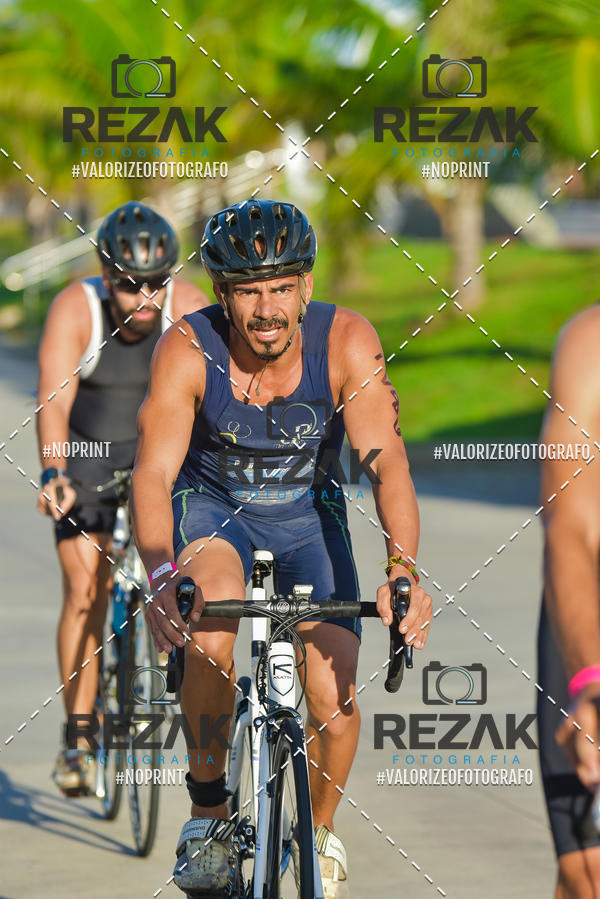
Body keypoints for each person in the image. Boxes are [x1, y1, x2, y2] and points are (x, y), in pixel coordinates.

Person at [130, 198, 432, 897]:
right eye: (247, 290)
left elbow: (388, 465)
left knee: (332, 692)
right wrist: (159, 571)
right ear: (222, 295)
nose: (266, 307)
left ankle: (319, 833)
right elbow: (153, 471)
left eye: (281, 286)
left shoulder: (348, 340)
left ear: (305, 285)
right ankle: (208, 817)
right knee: (206, 630)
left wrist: (401, 569)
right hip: (214, 513)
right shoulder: (188, 345)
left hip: (308, 514)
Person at [36, 201, 208, 796]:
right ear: (105, 276)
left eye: (156, 284)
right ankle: (78, 736)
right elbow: (54, 399)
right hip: (86, 462)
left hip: (157, 464)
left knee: (189, 580)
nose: (144, 298)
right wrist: (55, 471)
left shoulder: (184, 305)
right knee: (86, 589)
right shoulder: (75, 307)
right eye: (129, 285)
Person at [537, 303, 600, 897]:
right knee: (590, 875)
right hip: (590, 618)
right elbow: (571, 527)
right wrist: (591, 682)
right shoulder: (591, 344)